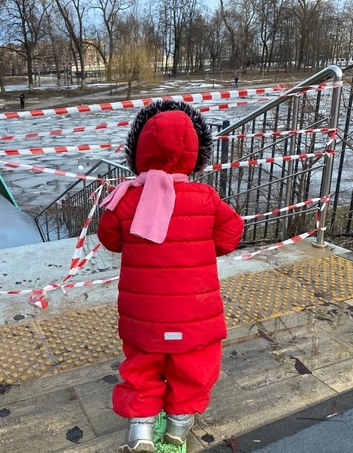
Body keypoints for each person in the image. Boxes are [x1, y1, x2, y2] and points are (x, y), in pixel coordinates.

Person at [97, 100, 244, 453]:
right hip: (196, 313)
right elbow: (231, 234)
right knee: (193, 365)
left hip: (143, 316)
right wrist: (199, 249)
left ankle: (140, 431)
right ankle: (178, 424)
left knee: (142, 365)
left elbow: (109, 239)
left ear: (138, 152)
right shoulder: (206, 198)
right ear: (195, 154)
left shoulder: (127, 199)